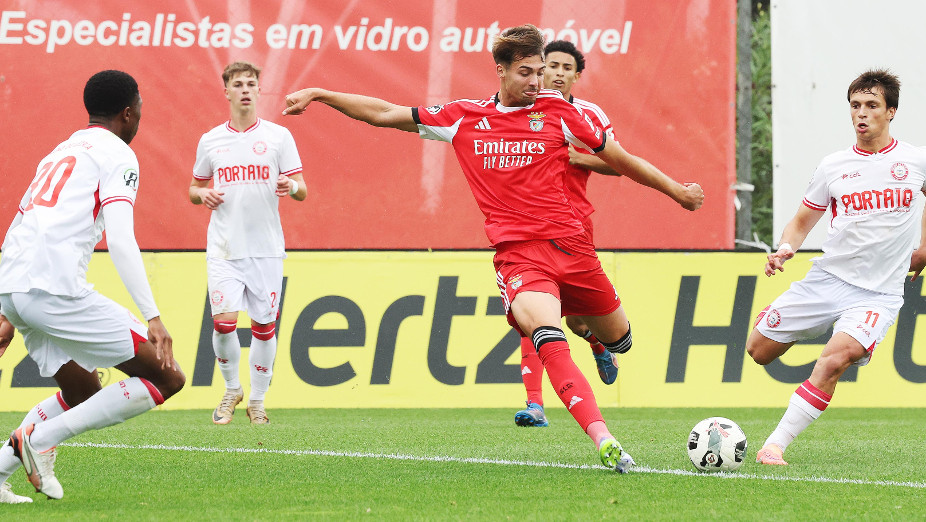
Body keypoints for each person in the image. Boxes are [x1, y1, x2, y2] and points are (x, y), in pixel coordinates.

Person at [282, 24, 703, 472]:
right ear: (499, 70)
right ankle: (604, 439)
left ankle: (596, 339)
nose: (536, 82)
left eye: (540, 72)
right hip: (520, 255)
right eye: (526, 72)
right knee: (545, 334)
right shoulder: (463, 117)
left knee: (621, 341)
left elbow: (619, 159)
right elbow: (385, 112)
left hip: (574, 247)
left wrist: (676, 191)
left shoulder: (559, 111)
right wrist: (322, 92)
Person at [0, 70, 186, 500]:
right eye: (140, 108)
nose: (140, 116)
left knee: (82, 390)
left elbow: (21, 223)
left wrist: (7, 308)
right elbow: (120, 239)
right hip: (54, 288)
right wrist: (153, 317)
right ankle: (41, 439)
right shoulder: (117, 153)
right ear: (128, 112)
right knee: (167, 378)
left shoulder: (61, 150)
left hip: (17, 284)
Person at [748, 69, 926, 465]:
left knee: (833, 360)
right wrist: (785, 249)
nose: (861, 114)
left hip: (879, 293)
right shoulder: (834, 166)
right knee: (758, 351)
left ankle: (774, 446)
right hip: (827, 280)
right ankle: (831, 327)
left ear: (891, 111)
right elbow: (800, 223)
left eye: (871, 106)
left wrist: (925, 248)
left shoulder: (915, 161)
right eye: (855, 106)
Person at [514, 40, 624, 428]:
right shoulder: (520, 111)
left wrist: (581, 157)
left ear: (577, 75)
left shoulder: (588, 114)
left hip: (574, 229)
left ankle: (597, 343)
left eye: (566, 67)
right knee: (531, 314)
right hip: (528, 230)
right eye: (551, 66)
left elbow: (619, 163)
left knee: (577, 322)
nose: (557, 72)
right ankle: (534, 404)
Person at [189, 61, 305, 425]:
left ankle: (257, 401)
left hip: (266, 249)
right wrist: (202, 194)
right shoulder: (211, 140)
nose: (244, 89)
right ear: (226, 91)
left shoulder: (277, 137)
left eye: (250, 84)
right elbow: (193, 189)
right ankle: (230, 390)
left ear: (258, 90)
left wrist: (293, 187)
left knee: (263, 326)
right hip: (224, 248)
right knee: (223, 323)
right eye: (237, 84)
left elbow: (302, 189)